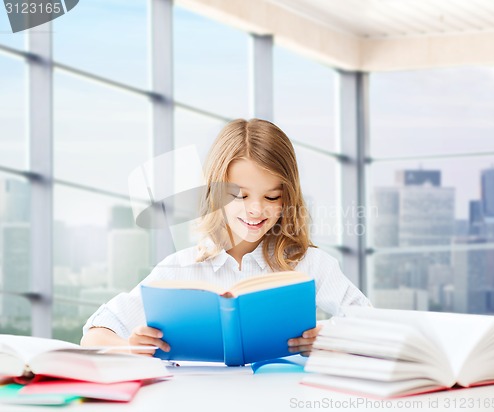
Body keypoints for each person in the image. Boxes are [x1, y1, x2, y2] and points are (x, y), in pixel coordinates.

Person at [81, 118, 371, 356]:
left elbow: (371, 322)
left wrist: (332, 338)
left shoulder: (309, 264)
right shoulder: (180, 268)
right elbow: (95, 335)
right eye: (240, 195)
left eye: (272, 196)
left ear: (288, 198)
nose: (256, 209)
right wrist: (129, 349)